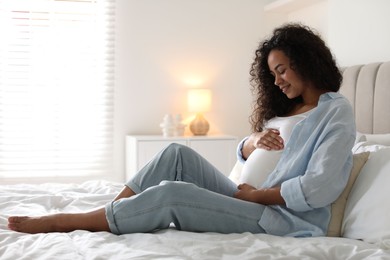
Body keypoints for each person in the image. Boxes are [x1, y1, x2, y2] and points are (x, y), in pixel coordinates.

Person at [7, 23, 356, 237]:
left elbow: (320, 186)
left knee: (172, 193)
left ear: (306, 62)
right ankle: (106, 215)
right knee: (176, 153)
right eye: (273, 74)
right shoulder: (288, 108)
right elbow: (250, 151)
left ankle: (71, 221)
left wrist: (256, 196)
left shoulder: (335, 112)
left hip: (280, 217)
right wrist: (251, 142)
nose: (277, 81)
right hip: (247, 195)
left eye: (282, 70)